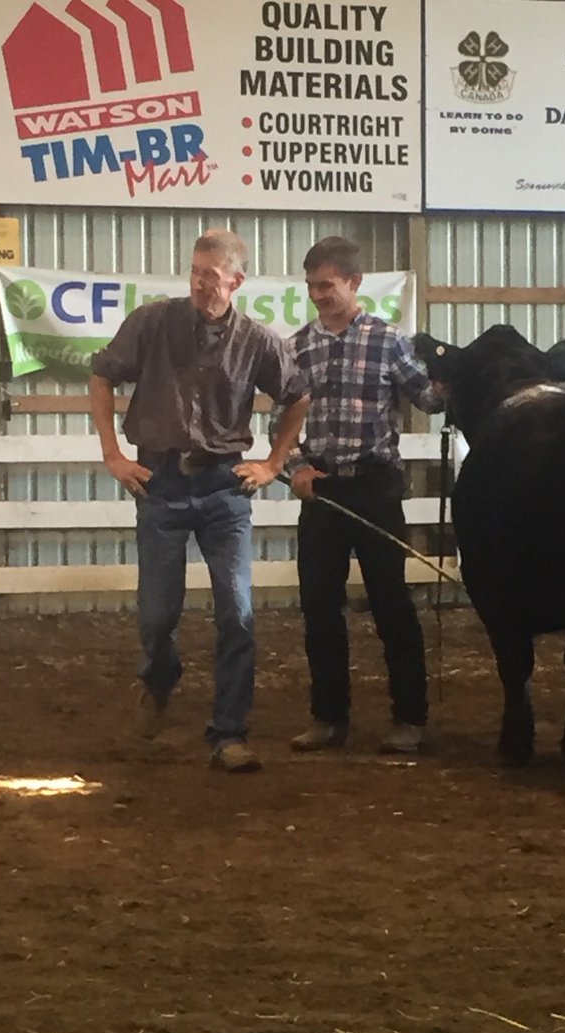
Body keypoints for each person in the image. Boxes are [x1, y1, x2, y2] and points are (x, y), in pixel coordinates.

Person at [89, 228, 309, 771]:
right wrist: (113, 453)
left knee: (237, 612)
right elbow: (101, 375)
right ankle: (159, 676)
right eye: (195, 273)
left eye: (211, 276)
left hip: (223, 487)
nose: (201, 284)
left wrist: (274, 463)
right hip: (159, 482)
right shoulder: (153, 322)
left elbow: (298, 395)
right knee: (156, 614)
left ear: (237, 280)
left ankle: (229, 732)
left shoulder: (258, 342)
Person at [285, 236, 445, 754]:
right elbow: (281, 422)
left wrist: (457, 370)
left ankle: (410, 717)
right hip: (323, 488)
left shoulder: (389, 340)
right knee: (319, 606)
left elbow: (428, 397)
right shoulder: (297, 346)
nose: (317, 295)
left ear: (354, 283)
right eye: (311, 286)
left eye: (326, 285)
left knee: (391, 603)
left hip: (375, 486)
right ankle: (328, 717)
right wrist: (296, 466)